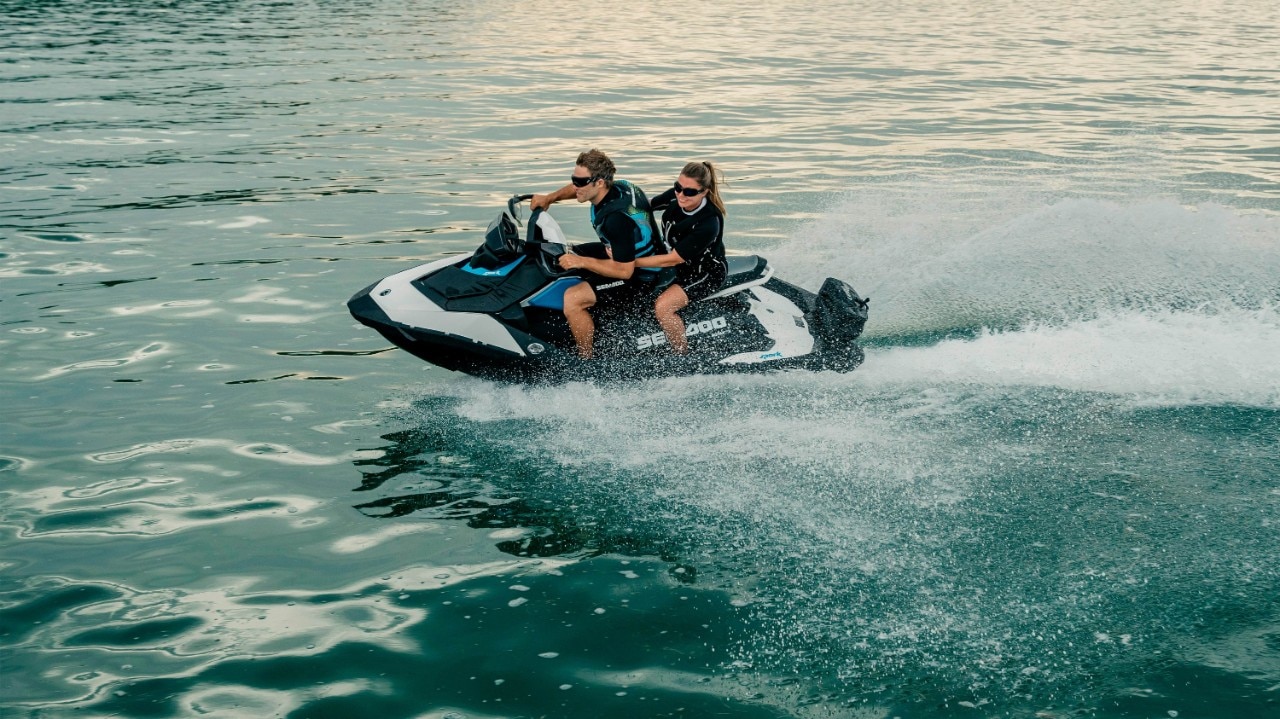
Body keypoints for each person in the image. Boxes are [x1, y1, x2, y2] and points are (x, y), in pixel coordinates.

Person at [530, 149, 665, 359]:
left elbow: (624, 271)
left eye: (581, 181)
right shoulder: (619, 186)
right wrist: (550, 198)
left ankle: (586, 360)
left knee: (573, 298)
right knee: (565, 254)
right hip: (620, 250)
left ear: (600, 182)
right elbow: (577, 190)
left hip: (642, 275)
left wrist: (582, 262)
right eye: (574, 179)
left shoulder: (615, 218)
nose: (575, 186)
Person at [634, 161, 727, 355]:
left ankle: (681, 355)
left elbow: (673, 259)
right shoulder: (677, 196)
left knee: (663, 308)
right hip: (676, 265)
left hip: (704, 273)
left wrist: (629, 262)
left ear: (704, 192)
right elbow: (645, 206)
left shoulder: (709, 222)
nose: (681, 195)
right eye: (678, 187)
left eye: (690, 192)